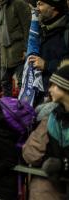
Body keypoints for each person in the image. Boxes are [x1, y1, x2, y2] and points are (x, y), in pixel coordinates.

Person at [28, 0, 69, 103]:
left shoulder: (65, 31)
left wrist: (46, 65)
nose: (37, 9)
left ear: (54, 7)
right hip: (44, 94)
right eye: (36, 4)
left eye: (41, 4)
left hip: (59, 99)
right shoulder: (42, 30)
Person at [41, 60, 69, 195]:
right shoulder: (54, 117)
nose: (50, 89)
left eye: (54, 85)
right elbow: (53, 153)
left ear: (66, 87)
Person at [0, 0, 31, 96]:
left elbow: (28, 27)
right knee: (4, 82)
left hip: (19, 51)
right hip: (5, 54)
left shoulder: (18, 3)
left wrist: (26, 49)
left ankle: (25, 108)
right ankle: (9, 108)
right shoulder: (0, 7)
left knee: (22, 83)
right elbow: (1, 33)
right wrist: (0, 52)